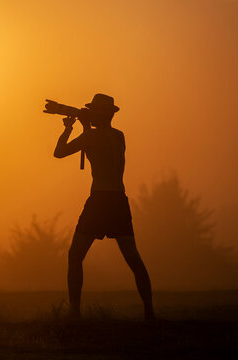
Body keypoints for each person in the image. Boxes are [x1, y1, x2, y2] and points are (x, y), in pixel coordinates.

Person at [53, 93, 154, 320]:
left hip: (99, 200)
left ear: (101, 114)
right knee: (133, 258)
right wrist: (86, 125)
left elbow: (59, 153)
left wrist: (70, 128)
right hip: (119, 200)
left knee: (75, 255)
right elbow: (97, 144)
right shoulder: (119, 136)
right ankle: (149, 311)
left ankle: (74, 312)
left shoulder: (92, 136)